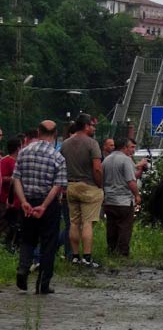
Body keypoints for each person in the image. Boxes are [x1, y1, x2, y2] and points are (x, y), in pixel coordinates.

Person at [13, 121, 66, 294]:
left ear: (38, 131)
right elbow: (57, 186)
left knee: (27, 238)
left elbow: (16, 179)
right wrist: (43, 206)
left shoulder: (23, 152)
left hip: (27, 201)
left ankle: (23, 268)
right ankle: (43, 282)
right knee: (48, 242)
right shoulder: (57, 157)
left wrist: (23, 202)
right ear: (55, 133)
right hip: (48, 205)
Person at [60, 113, 103, 268]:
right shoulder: (92, 144)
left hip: (71, 186)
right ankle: (87, 257)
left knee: (73, 223)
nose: (94, 128)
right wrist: (100, 185)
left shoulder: (65, 144)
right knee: (87, 223)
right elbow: (97, 168)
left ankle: (74, 256)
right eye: (92, 125)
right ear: (86, 126)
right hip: (89, 186)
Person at [103, 138, 141, 256]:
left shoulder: (106, 160)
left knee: (111, 227)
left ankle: (111, 249)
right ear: (124, 147)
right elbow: (131, 181)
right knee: (125, 227)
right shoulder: (126, 160)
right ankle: (122, 252)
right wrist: (137, 195)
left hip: (109, 199)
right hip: (124, 200)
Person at [0, 137, 21, 251]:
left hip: (16, 199)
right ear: (18, 148)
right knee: (5, 223)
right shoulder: (5, 161)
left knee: (14, 224)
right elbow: (2, 178)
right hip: (5, 197)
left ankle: (12, 244)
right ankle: (5, 245)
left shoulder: (18, 161)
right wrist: (14, 178)